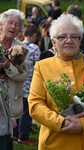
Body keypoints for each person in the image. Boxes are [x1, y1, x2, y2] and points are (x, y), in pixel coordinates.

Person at [28, 14, 84, 150]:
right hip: (55, 142)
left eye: (74, 36)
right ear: (54, 42)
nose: (69, 40)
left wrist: (83, 124)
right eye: (62, 37)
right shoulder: (42, 66)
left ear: (80, 40)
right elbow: (35, 105)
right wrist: (61, 122)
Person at [0, 8, 28, 148]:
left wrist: (7, 67)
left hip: (10, 103)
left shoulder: (22, 48)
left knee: (5, 142)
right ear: (1, 24)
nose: (13, 27)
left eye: (17, 25)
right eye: (10, 23)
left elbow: (24, 75)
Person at [16, 24, 41, 145]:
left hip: (18, 83)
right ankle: (24, 136)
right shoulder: (35, 48)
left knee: (17, 110)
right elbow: (38, 65)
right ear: (34, 35)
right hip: (29, 83)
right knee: (27, 111)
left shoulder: (17, 45)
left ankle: (15, 134)